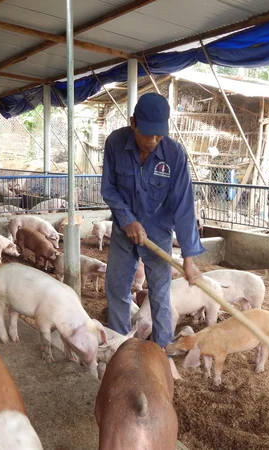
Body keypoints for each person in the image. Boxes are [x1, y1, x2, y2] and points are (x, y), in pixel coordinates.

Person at [101, 92, 204, 349]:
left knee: (160, 295)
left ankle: (162, 353)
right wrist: (128, 221)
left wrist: (189, 259)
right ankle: (119, 347)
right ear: (133, 122)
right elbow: (109, 189)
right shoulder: (115, 143)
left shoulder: (175, 154)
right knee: (117, 289)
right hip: (125, 231)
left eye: (160, 134)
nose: (154, 140)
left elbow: (184, 206)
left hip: (158, 232)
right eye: (148, 134)